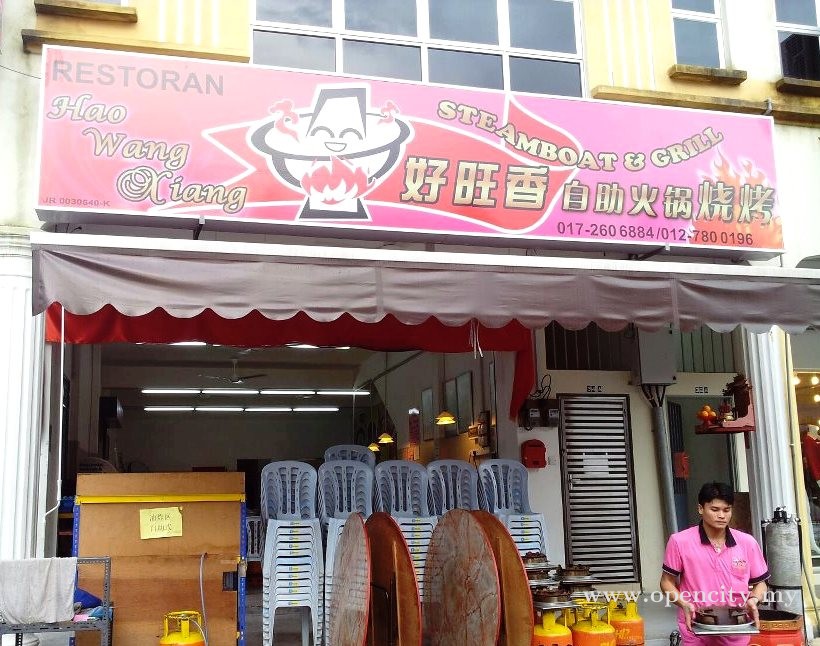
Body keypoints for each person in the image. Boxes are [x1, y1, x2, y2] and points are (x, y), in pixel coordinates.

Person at [660, 481, 769, 646]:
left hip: (736, 628)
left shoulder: (747, 543)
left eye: (727, 510)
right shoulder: (679, 542)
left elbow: (760, 583)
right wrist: (683, 604)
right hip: (696, 627)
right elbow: (666, 582)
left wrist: (753, 599)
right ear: (700, 509)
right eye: (715, 509)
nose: (722, 515)